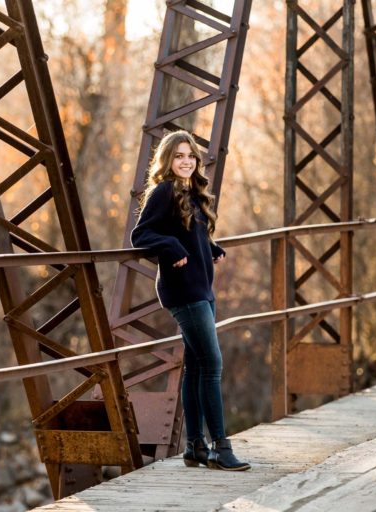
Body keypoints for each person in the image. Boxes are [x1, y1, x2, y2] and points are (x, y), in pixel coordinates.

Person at [130, 130, 250, 471]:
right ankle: (220, 448)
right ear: (167, 161)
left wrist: (209, 248)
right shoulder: (165, 190)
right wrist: (172, 248)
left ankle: (194, 445)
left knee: (197, 367)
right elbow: (141, 234)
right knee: (212, 365)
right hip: (183, 291)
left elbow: (187, 231)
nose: (186, 161)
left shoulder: (191, 193)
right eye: (179, 155)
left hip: (201, 288)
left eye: (191, 156)